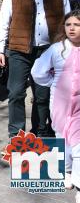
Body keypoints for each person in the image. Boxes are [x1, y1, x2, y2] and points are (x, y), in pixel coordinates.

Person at [0, 0, 71, 138]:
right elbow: (3, 21)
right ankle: (17, 135)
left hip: (48, 51)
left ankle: (41, 132)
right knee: (16, 93)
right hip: (19, 51)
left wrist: (68, 48)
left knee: (43, 96)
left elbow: (69, 20)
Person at [31, 10, 80, 193]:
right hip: (60, 101)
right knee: (62, 137)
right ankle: (66, 171)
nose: (72, 28)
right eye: (68, 25)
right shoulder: (57, 48)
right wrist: (53, 83)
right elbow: (38, 72)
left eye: (77, 24)